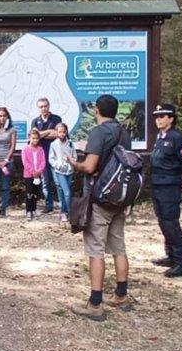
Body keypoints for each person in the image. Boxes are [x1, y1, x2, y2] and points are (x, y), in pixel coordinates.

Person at [69, 94, 132, 321]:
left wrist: (74, 163)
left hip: (100, 198)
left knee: (95, 250)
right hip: (120, 198)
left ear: (96, 110)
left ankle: (95, 303)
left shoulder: (98, 132)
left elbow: (89, 166)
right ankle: (121, 295)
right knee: (118, 246)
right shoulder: (125, 133)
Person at [148, 103, 182, 278]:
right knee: (162, 221)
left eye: (162, 116)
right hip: (157, 184)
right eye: (157, 116)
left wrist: (178, 175)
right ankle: (171, 255)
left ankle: (181, 262)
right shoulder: (160, 136)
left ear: (171, 118)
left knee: (171, 222)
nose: (158, 119)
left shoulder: (177, 138)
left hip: (169, 186)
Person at [30, 98, 63, 214]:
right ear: (38, 108)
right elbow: (34, 137)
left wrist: (42, 134)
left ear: (49, 106)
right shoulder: (35, 121)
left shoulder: (56, 119)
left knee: (58, 181)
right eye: (41, 107)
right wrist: (49, 132)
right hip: (41, 156)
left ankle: (62, 206)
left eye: (45, 106)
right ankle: (48, 206)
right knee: (45, 182)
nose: (43, 108)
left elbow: (58, 134)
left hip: (55, 155)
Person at [47, 122, 75, 223]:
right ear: (57, 132)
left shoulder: (71, 143)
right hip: (59, 171)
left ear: (66, 132)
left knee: (63, 191)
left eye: (64, 132)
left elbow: (74, 156)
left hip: (69, 170)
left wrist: (70, 162)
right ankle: (67, 212)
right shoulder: (54, 144)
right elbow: (51, 158)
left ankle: (63, 211)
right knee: (67, 193)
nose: (62, 134)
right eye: (60, 132)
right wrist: (58, 165)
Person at [21, 129, 47, 221]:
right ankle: (28, 211)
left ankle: (34, 209)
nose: (35, 140)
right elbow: (25, 162)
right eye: (33, 138)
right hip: (29, 175)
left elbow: (43, 162)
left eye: (37, 138)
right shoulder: (25, 149)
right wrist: (32, 172)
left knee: (36, 194)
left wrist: (39, 171)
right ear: (29, 138)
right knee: (29, 193)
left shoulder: (41, 150)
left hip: (38, 175)